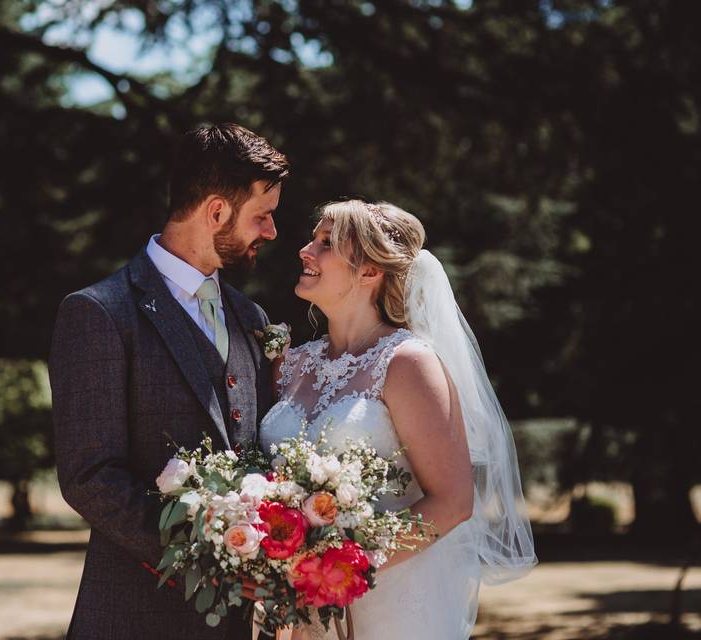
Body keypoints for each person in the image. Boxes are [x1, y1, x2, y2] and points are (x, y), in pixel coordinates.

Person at [49, 123, 289, 640]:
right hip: (137, 616)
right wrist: (210, 556)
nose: (270, 233)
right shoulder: (99, 313)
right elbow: (89, 475)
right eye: (262, 217)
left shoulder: (252, 318)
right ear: (217, 212)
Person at [260, 199, 536, 639]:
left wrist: (340, 566)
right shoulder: (292, 365)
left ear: (369, 271)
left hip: (389, 603)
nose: (305, 250)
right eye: (314, 238)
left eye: (326, 242)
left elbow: (453, 501)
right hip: (298, 612)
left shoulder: (408, 363)